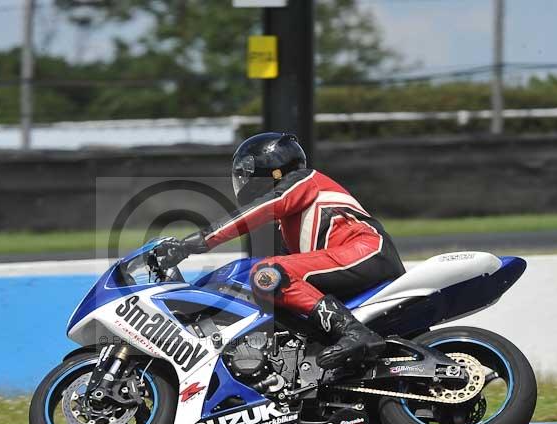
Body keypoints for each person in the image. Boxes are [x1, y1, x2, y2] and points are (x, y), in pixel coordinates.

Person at [157, 132, 405, 371]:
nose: (242, 181)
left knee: (266, 272)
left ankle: (355, 333)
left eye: (246, 173)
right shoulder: (290, 225)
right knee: (266, 282)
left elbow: (262, 208)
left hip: (366, 250)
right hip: (352, 259)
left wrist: (196, 242)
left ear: (270, 169)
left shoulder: (305, 180)